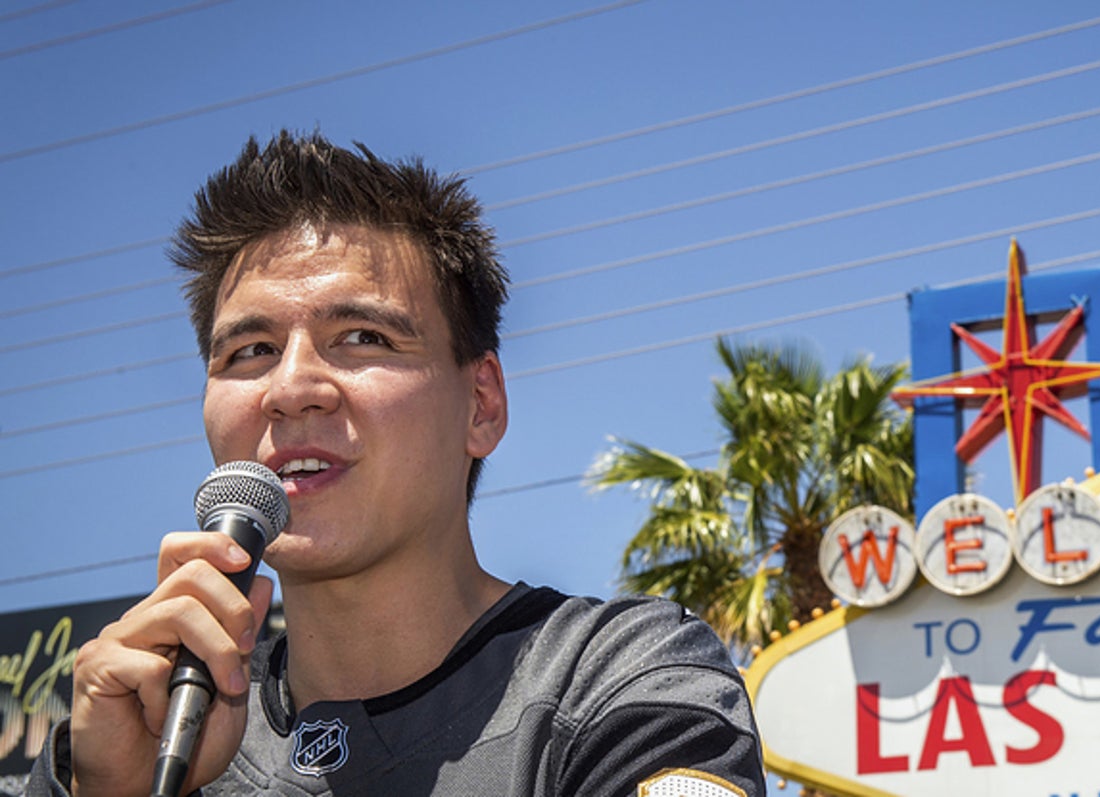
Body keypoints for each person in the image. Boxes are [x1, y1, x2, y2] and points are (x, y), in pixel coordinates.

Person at [27, 131, 765, 797]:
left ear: (481, 404)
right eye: (249, 352)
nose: (290, 389)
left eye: (363, 337)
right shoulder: (132, 736)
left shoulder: (619, 681)